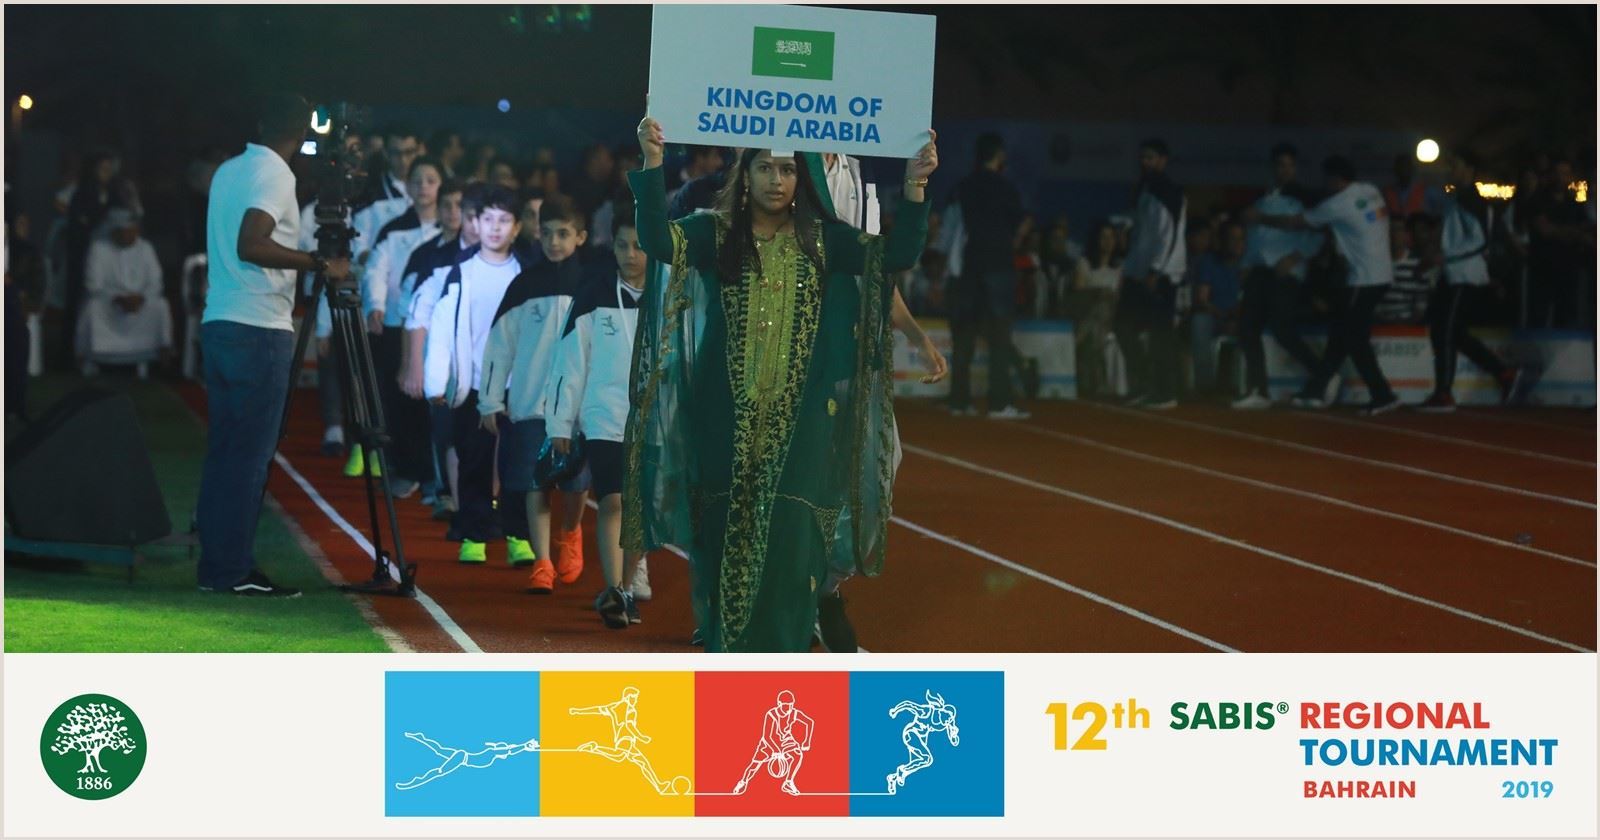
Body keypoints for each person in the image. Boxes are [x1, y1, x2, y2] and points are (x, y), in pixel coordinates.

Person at [623, 116, 936, 652]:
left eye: (788, 170)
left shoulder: (825, 241)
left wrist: (914, 186)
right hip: (723, 415)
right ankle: (730, 654)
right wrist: (652, 162)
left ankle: (784, 657)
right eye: (765, 168)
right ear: (744, 175)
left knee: (792, 538)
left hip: (805, 421)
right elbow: (655, 239)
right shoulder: (714, 233)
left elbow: (897, 255)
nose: (776, 180)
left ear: (802, 179)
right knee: (725, 533)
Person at [197, 93, 351, 596]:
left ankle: (216, 567)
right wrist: (318, 264)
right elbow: (252, 242)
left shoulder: (229, 169)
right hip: (258, 327)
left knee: (225, 451)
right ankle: (231, 570)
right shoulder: (276, 174)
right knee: (249, 456)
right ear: (302, 133)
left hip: (221, 320)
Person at [477, 196, 595, 579]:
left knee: (577, 482)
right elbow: (499, 345)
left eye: (563, 234)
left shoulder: (592, 284)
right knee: (534, 481)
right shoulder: (523, 285)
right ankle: (542, 561)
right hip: (530, 403)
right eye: (547, 234)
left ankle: (571, 531)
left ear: (580, 237)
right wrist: (490, 399)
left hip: (579, 407)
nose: (554, 242)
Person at [547, 216, 649, 627]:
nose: (630, 255)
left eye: (639, 246)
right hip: (604, 415)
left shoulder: (670, 293)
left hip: (654, 421)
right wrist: (560, 421)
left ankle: (627, 587)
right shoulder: (593, 294)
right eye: (622, 245)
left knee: (640, 509)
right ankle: (615, 589)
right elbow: (569, 360)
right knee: (613, 500)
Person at [1249, 155, 1399, 416]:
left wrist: (1261, 218)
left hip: (1363, 278)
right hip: (1380, 274)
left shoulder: (1338, 204)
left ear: (1335, 179)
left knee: (1354, 339)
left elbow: (1296, 222)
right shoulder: (1370, 190)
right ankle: (1316, 389)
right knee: (1340, 333)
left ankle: (1382, 394)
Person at [423, 186, 524, 560]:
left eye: (504, 220)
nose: (495, 228)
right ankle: (473, 533)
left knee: (515, 464)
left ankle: (518, 536)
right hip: (474, 384)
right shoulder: (461, 272)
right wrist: (436, 380)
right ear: (475, 224)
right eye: (488, 219)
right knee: (474, 460)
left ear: (517, 227)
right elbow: (442, 328)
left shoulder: (523, 273)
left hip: (515, 384)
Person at [362, 158, 445, 496]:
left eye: (431, 180)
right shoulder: (393, 229)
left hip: (439, 330)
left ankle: (437, 476)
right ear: (408, 187)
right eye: (417, 180)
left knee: (436, 401)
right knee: (401, 399)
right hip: (398, 326)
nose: (423, 187)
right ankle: (407, 469)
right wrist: (376, 305)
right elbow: (375, 270)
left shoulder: (449, 231)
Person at [1418, 151, 1522, 411]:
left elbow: (1480, 240)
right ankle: (1502, 373)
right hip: (1454, 273)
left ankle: (1444, 393)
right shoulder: (1458, 198)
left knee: (1445, 330)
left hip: (1465, 275)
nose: (1449, 170)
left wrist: (1444, 255)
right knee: (1450, 332)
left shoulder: (1471, 199)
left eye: (1455, 165)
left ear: (1469, 169)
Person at [1233, 143, 1324, 409]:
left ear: (1296, 168)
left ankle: (1322, 374)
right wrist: (1246, 264)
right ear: (1273, 168)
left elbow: (1318, 235)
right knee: (1247, 328)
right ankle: (1258, 389)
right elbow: (1255, 238)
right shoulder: (1262, 200)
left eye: (1289, 165)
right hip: (1260, 270)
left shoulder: (1304, 199)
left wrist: (1296, 257)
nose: (1285, 170)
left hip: (1286, 272)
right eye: (1280, 165)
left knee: (1282, 329)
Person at [946, 132, 1028, 419]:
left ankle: (959, 400)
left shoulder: (963, 187)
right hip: (998, 268)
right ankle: (999, 403)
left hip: (969, 268)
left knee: (964, 337)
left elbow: (952, 231)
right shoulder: (1006, 188)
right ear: (1000, 155)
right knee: (999, 339)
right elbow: (1020, 224)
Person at [1114, 138, 1187, 410]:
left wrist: (1156, 269)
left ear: (1163, 161)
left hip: (1161, 273)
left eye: (1151, 157)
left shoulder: (1167, 190)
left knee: (1160, 333)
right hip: (1139, 270)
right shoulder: (1144, 189)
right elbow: (1142, 229)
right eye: (1143, 157)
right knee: (1123, 325)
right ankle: (1145, 384)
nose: (1145, 162)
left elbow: (1168, 235)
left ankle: (1166, 391)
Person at [76, 207, 172, 378]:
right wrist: (117, 298)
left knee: (160, 306)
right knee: (92, 307)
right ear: (114, 232)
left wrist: (140, 298)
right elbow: (93, 285)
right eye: (125, 232)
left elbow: (156, 282)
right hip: (110, 302)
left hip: (140, 302)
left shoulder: (145, 248)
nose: (130, 236)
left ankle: (149, 360)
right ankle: (91, 361)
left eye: (133, 231)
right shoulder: (99, 248)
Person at [1066, 220, 1122, 399]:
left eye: (1111, 237)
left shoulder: (1119, 268)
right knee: (1098, 311)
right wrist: (1099, 292)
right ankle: (1098, 382)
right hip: (1087, 314)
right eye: (1103, 237)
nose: (1108, 241)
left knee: (1104, 306)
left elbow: (1120, 297)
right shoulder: (1085, 263)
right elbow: (1078, 292)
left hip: (1112, 317)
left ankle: (1077, 341)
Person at [1188, 220, 1245, 396]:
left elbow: (1249, 301)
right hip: (1215, 316)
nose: (1237, 243)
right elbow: (1202, 298)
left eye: (1241, 239)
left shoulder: (1247, 263)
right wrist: (1223, 316)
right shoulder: (1209, 261)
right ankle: (1205, 387)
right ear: (1223, 240)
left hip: (1241, 319)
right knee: (1199, 321)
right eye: (1232, 238)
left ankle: (1242, 387)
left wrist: (1236, 318)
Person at [732, 690, 814, 796]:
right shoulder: (771, 714)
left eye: (791, 705)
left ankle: (788, 782)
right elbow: (767, 736)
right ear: (779, 704)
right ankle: (743, 782)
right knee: (754, 765)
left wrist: (806, 741)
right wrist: (776, 751)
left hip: (785, 741)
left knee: (798, 754)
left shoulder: (794, 713)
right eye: (786, 705)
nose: (788, 708)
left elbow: (810, 722)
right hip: (769, 743)